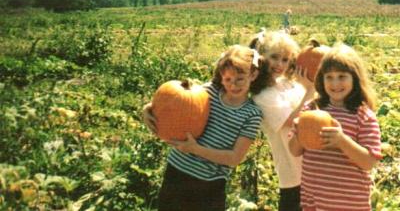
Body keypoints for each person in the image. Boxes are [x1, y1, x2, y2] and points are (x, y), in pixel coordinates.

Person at [142, 44, 272, 211]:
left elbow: (234, 158)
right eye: (227, 79)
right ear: (221, 76)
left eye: (240, 79)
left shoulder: (251, 114)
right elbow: (177, 101)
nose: (233, 85)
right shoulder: (208, 92)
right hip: (177, 171)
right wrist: (148, 109)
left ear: (253, 74)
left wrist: (195, 149)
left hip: (209, 184)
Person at [289, 44, 382, 211]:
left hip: (350, 203)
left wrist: (341, 140)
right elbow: (295, 151)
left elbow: (368, 162)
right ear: (321, 79)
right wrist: (299, 133)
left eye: (342, 76)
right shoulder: (312, 109)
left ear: (354, 78)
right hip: (314, 200)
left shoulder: (363, 116)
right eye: (329, 77)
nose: (335, 83)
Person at [250, 31, 315, 211]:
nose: (280, 64)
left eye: (285, 60)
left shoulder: (289, 84)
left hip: (312, 168)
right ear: (262, 58)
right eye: (274, 57)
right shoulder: (262, 96)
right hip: (293, 174)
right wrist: (310, 90)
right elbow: (291, 121)